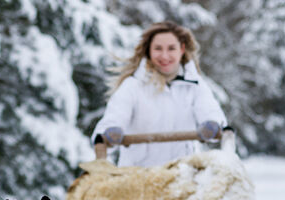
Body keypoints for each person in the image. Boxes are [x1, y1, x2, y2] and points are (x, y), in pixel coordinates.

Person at [93, 21, 231, 167]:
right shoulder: (132, 86)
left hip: (182, 175)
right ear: (149, 51)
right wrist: (111, 132)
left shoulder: (195, 86)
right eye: (158, 49)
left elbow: (210, 112)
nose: (165, 56)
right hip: (138, 176)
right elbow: (114, 117)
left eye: (171, 48)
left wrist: (212, 125)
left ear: (182, 49)